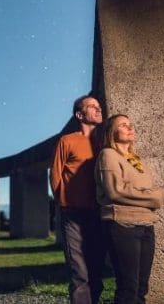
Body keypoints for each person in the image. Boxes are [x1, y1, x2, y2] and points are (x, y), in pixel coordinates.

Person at [95, 114, 164, 304]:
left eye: (131, 125)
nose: (130, 128)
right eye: (123, 125)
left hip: (146, 225)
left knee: (142, 288)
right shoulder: (108, 155)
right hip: (122, 224)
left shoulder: (137, 160)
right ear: (112, 132)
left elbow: (152, 190)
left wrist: (151, 195)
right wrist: (152, 197)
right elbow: (116, 191)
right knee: (128, 287)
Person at [50, 95, 105, 304]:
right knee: (79, 272)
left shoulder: (104, 142)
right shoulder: (67, 141)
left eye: (99, 106)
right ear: (80, 115)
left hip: (99, 213)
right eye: (93, 107)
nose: (99, 110)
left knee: (96, 270)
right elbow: (55, 176)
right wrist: (63, 203)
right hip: (72, 213)